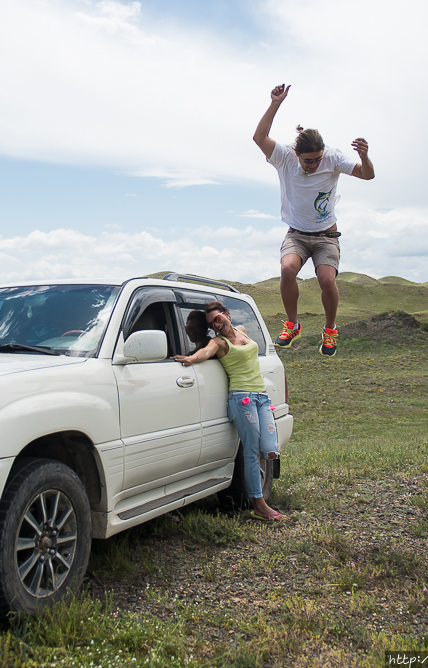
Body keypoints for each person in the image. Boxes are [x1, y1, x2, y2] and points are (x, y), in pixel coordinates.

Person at [253, 83, 374, 357]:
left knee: (326, 280)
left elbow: (367, 175)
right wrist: (275, 104)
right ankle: (292, 324)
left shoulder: (332, 158)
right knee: (287, 270)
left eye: (317, 160)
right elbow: (259, 137)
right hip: (296, 234)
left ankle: (330, 329)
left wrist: (364, 156)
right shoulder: (284, 157)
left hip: (326, 236)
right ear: (297, 155)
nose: (314, 165)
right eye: (308, 161)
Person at [173, 301, 285, 521]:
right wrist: (191, 359)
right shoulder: (219, 343)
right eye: (211, 324)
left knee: (270, 449)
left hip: (262, 396)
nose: (216, 325)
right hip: (241, 399)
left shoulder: (243, 331)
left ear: (227, 314)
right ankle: (259, 505)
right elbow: (205, 352)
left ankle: (257, 494)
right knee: (251, 452)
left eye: (218, 319)